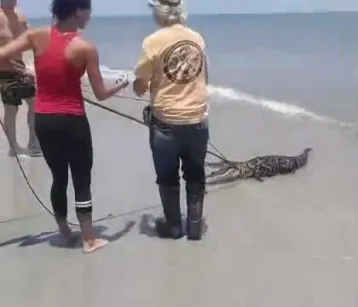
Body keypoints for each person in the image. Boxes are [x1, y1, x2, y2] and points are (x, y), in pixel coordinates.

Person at [0, 0, 129, 253]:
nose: (89, 16)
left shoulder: (36, 36)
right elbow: (101, 94)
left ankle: (64, 233)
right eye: (88, 10)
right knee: (81, 179)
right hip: (73, 121)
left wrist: (28, 73)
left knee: (59, 178)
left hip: (45, 121)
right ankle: (89, 239)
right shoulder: (85, 47)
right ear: (79, 11)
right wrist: (121, 85)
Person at [133, 0, 209, 240]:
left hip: (165, 122)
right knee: (195, 173)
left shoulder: (152, 41)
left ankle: (175, 227)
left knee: (167, 176)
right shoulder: (197, 38)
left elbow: (140, 86)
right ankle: (195, 227)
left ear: (160, 12)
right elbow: (204, 76)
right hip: (197, 119)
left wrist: (139, 85)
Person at [0, 0, 40, 157]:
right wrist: (11, 63)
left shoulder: (21, 16)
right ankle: (13, 146)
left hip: (22, 69)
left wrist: (39, 65)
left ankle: (33, 143)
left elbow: (32, 39)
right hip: (4, 71)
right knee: (11, 109)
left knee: (35, 104)